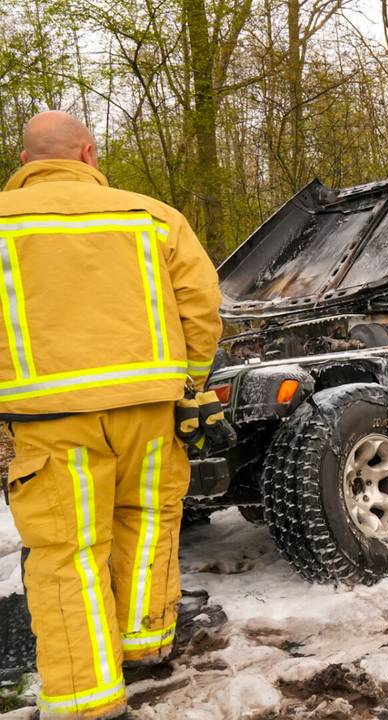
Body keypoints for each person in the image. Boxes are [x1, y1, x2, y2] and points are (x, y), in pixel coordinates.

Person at [0, 111, 222, 718]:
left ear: (26, 164)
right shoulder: (153, 217)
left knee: (68, 552)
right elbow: (201, 307)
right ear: (89, 155)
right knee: (147, 519)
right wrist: (190, 385)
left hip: (51, 421)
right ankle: (144, 642)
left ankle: (84, 699)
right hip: (151, 412)